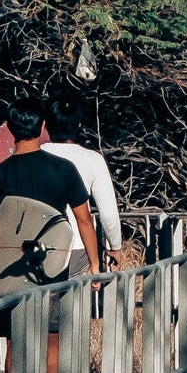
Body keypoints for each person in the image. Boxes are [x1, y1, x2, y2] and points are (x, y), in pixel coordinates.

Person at [0, 94, 100, 373]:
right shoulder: (63, 169)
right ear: (43, 127)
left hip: (10, 270)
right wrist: (95, 265)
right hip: (53, 264)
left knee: (14, 338)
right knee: (52, 335)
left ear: (10, 129)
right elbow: (84, 221)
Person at [42, 88, 122, 270]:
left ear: (46, 125)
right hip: (77, 244)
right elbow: (108, 213)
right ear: (78, 124)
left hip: (37, 244)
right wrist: (115, 246)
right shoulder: (93, 159)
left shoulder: (32, 156)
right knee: (74, 297)